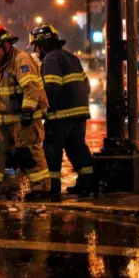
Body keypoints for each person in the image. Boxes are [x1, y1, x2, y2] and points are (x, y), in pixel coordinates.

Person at [0, 25, 52, 200]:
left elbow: (31, 88)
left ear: (7, 45)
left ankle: (41, 189)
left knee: (29, 154)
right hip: (1, 120)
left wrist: (28, 111)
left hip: (22, 120)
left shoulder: (22, 60)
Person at [29, 24, 94, 196]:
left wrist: (43, 109)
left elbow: (52, 87)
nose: (36, 51)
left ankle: (52, 186)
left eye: (36, 46)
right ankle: (88, 181)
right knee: (77, 148)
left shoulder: (50, 59)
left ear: (42, 44)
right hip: (79, 114)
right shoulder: (72, 57)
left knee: (51, 148)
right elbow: (86, 85)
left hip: (60, 116)